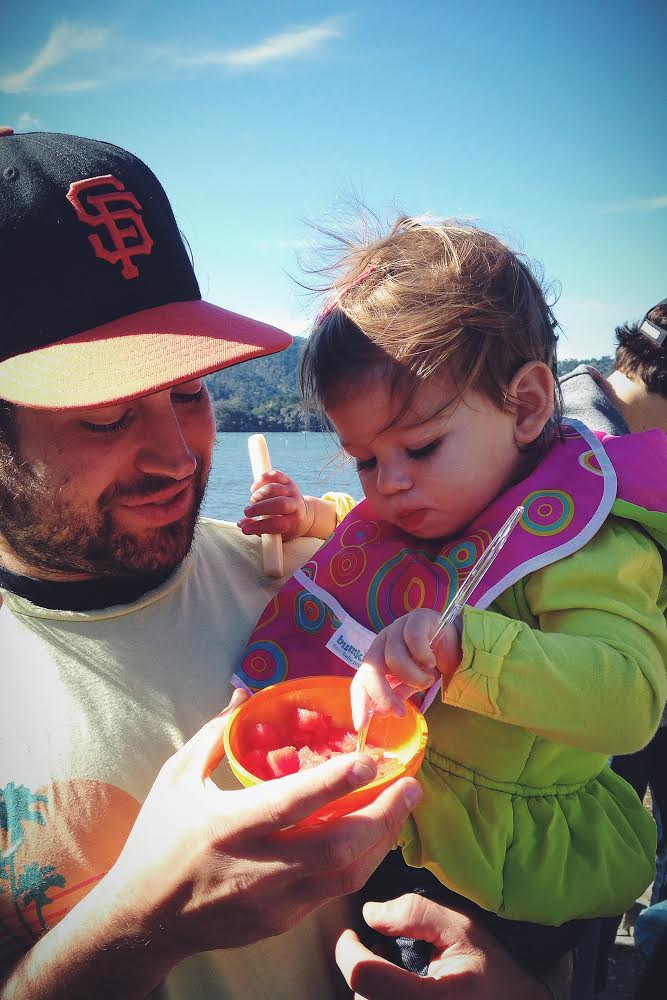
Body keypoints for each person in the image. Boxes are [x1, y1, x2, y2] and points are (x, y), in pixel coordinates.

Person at [0, 128, 566, 1000]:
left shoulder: (309, 587)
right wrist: (134, 926)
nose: (181, 457)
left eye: (190, 394)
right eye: (108, 418)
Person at [238, 217, 667, 980]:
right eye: (365, 459)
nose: (391, 484)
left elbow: (628, 699)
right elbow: (372, 536)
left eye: (420, 446)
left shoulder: (584, 544)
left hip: (510, 873)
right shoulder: (434, 499)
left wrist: (468, 648)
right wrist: (309, 518)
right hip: (405, 826)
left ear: (528, 405)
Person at [561, 300, 667, 998]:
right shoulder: (575, 443)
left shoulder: (577, 410)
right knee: (587, 885)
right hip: (594, 715)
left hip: (627, 690)